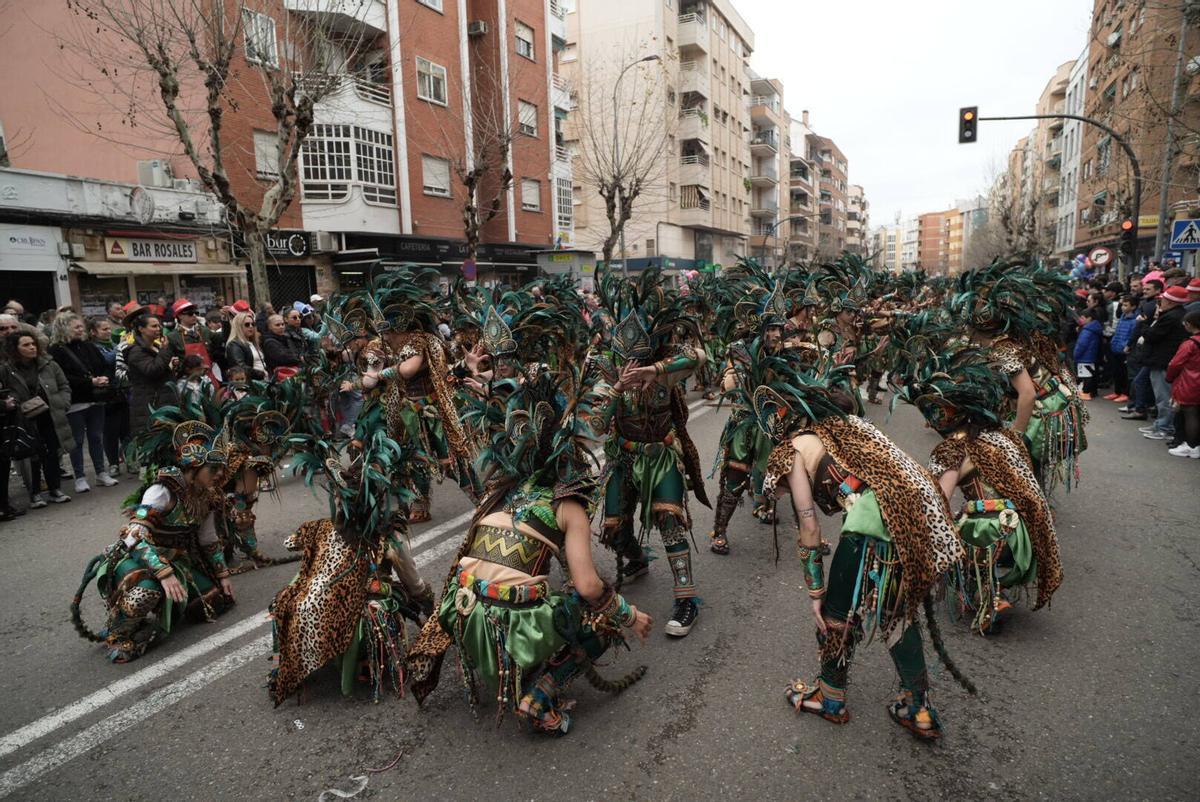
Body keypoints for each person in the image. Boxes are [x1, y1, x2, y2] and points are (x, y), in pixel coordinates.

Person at [405, 369, 652, 734]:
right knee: (600, 611)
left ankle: (515, 664)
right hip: (507, 623)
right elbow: (586, 586)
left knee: (534, 593)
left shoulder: (497, 491)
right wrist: (629, 615)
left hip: (462, 616)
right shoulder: (568, 505)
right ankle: (538, 699)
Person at [70, 417, 234, 663]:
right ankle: (118, 629)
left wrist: (223, 575)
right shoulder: (163, 490)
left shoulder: (207, 496)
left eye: (222, 467)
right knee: (146, 592)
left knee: (215, 602)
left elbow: (208, 538)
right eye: (214, 468)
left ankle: (162, 606)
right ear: (193, 466)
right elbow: (133, 535)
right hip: (138, 558)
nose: (221, 474)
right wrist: (163, 573)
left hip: (176, 561)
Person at [0, 331, 74, 507]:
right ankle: (35, 494)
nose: (32, 347)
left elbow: (64, 385)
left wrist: (63, 403)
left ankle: (55, 489)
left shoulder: (48, 364)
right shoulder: (6, 369)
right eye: (26, 345)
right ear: (15, 349)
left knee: (52, 453)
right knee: (32, 455)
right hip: (24, 418)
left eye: (33, 344)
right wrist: (11, 402)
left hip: (50, 415)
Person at [50, 313, 119, 492]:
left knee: (96, 437)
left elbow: (104, 364)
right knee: (77, 440)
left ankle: (101, 472)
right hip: (75, 401)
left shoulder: (89, 346)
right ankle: (80, 477)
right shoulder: (56, 351)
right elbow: (63, 377)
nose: (81, 330)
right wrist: (90, 382)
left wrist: (104, 378)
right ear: (64, 328)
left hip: (96, 398)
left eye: (81, 327)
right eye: (77, 327)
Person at [1139, 285, 1190, 442]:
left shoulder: (1170, 317)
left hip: (1162, 360)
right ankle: (1160, 424)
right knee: (1160, 395)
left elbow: (1152, 335)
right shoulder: (1174, 315)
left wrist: (1143, 324)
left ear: (1171, 302)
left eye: (1163, 300)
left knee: (1163, 396)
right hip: (1161, 359)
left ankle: (1164, 427)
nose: (1160, 303)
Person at [123, 311, 181, 441]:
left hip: (165, 400)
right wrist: (165, 352)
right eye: (153, 326)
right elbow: (152, 370)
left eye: (159, 326)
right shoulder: (136, 351)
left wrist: (171, 364)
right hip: (150, 404)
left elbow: (160, 367)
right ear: (141, 329)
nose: (158, 329)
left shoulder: (156, 346)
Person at [1167, 310, 1200, 458]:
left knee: (1189, 414)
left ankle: (1191, 445)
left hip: (1190, 382)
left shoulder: (1190, 343)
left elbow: (1175, 364)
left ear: (1189, 324)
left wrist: (1169, 377)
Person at [1105, 296, 1138, 404]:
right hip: (1115, 347)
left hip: (1125, 350)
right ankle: (1117, 391)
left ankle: (1125, 393)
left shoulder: (1135, 321)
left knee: (1125, 373)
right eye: (1122, 305)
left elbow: (1133, 335)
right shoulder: (1123, 317)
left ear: (1133, 307)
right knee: (1116, 371)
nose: (1123, 307)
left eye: (1125, 305)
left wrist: (1127, 345)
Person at [225, 311, 267, 380]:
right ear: (238, 326)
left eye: (253, 324)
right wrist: (260, 374)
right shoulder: (234, 344)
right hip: (250, 383)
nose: (251, 326)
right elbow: (240, 367)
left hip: (262, 381)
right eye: (247, 324)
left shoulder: (254, 342)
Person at [1073, 307, 1103, 400]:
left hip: (1084, 356)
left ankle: (1086, 392)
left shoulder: (1087, 330)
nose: (1080, 319)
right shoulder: (1095, 328)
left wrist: (1075, 355)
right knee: (1090, 374)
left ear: (1089, 318)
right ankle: (1091, 392)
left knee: (1085, 376)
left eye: (1082, 317)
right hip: (1091, 356)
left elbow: (1081, 344)